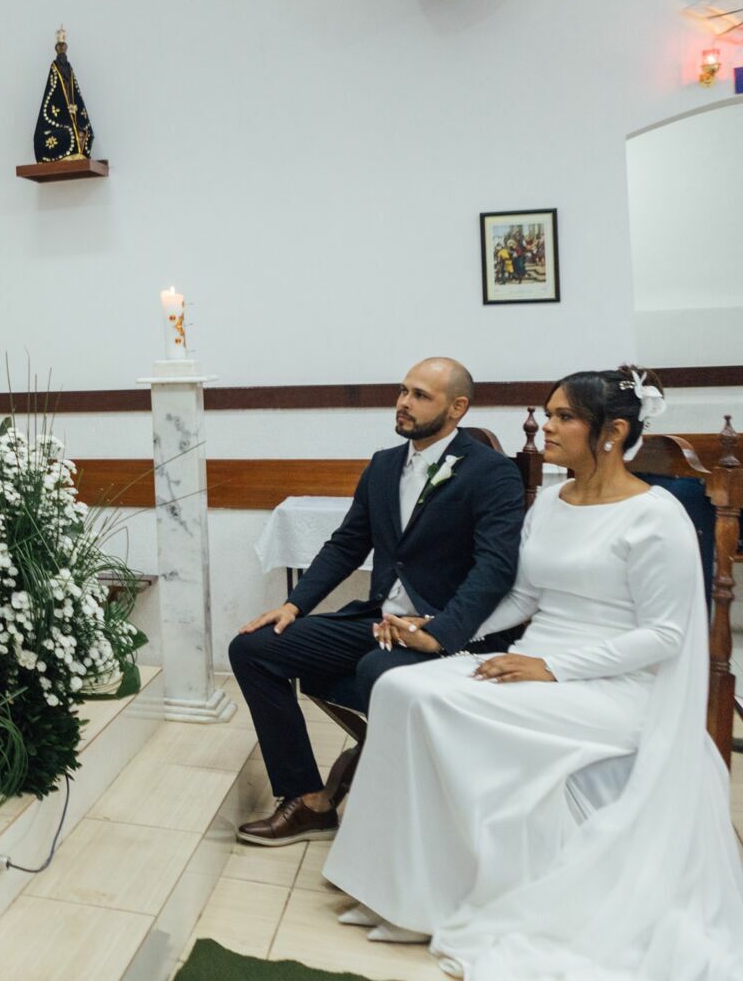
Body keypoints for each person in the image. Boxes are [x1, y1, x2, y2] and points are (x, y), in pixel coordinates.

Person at [324, 367, 743, 977]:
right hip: (533, 659)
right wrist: (440, 630)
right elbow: (523, 599)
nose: (547, 427)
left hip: (614, 686)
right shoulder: (551, 501)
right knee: (400, 687)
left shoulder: (656, 519)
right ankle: (410, 891)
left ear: (611, 432)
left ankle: (471, 891)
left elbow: (663, 636)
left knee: (440, 704)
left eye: (564, 417)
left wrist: (551, 667)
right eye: (549, 414)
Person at [228, 357, 525, 846]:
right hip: (378, 621)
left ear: (457, 408)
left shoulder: (492, 473)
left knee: (375, 670)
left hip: (446, 629)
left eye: (420, 395)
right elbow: (347, 544)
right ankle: (307, 800)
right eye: (403, 391)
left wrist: (438, 633)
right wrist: (294, 605)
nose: (404, 403)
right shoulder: (384, 465)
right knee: (254, 648)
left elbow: (495, 568)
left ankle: (400, 818)